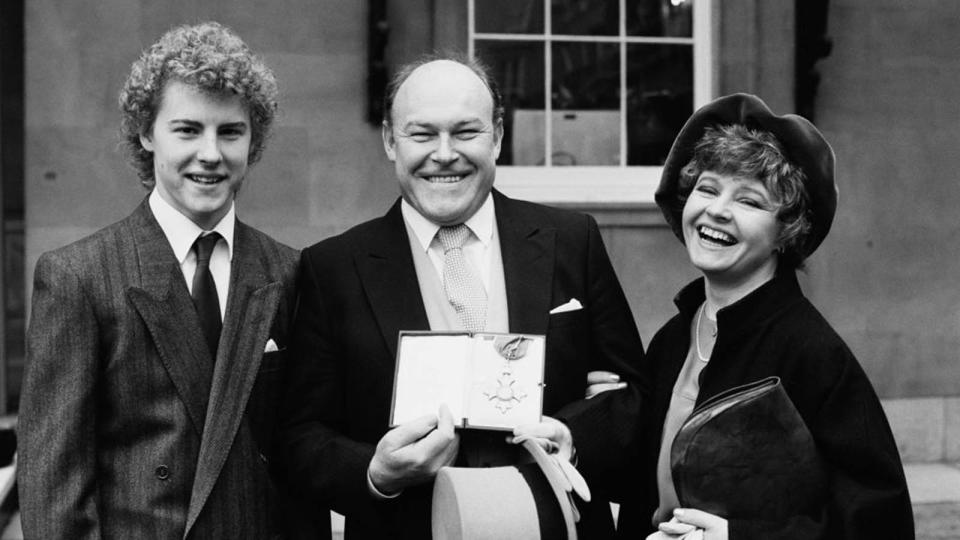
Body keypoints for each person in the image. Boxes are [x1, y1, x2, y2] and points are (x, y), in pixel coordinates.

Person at [280, 54, 647, 539]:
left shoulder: (571, 240)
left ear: (497, 136)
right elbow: (299, 436)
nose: (445, 153)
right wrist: (375, 472)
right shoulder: (333, 267)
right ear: (391, 140)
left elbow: (634, 398)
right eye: (422, 134)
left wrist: (574, 437)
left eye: (465, 132)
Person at [17, 22, 326, 539]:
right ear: (145, 132)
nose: (211, 153)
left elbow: (298, 470)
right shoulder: (78, 277)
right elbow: (54, 492)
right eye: (187, 129)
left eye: (231, 132)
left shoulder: (288, 271)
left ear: (254, 141)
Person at [612, 93, 914, 539]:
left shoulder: (813, 353)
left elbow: (879, 522)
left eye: (750, 202)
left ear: (786, 232)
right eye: (708, 188)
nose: (717, 210)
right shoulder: (673, 338)